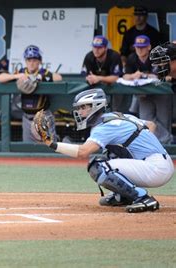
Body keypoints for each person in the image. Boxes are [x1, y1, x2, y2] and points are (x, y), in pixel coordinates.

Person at [37, 88, 173, 213]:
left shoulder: (103, 127)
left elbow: (83, 152)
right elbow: (151, 125)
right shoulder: (117, 116)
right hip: (159, 163)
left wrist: (52, 144)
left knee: (97, 166)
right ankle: (124, 196)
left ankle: (142, 197)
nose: (79, 112)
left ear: (95, 106)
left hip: (155, 168)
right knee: (111, 154)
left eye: (83, 107)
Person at [0, 45, 62, 143]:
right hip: (27, 117)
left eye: (34, 60)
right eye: (29, 60)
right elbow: (0, 78)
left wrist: (40, 77)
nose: (31, 63)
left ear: (39, 61)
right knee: (28, 149)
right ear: (26, 61)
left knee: (49, 147)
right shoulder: (22, 72)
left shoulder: (43, 72)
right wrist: (17, 76)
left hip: (42, 116)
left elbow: (59, 78)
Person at [122, 35, 172, 144]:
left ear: (149, 47)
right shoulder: (132, 58)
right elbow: (125, 76)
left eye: (143, 47)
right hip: (143, 94)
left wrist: (150, 76)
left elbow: (169, 76)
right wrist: (133, 75)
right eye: (138, 47)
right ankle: (166, 140)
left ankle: (166, 144)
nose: (140, 49)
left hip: (161, 94)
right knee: (146, 120)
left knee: (163, 120)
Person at [81, 35, 123, 112]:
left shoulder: (114, 56)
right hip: (95, 87)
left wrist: (99, 78)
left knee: (116, 111)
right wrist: (90, 78)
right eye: (94, 47)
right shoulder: (89, 56)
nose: (96, 50)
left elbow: (116, 77)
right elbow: (86, 75)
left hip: (114, 86)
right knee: (94, 110)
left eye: (99, 48)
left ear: (105, 48)